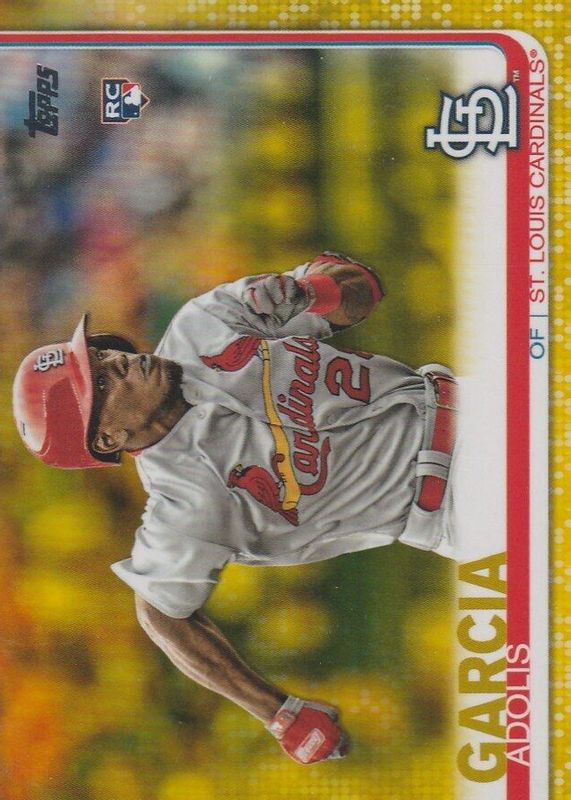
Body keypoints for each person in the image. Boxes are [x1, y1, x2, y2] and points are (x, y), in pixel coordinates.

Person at [13, 252, 458, 765]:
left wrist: (313, 291)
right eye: (101, 383)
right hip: (458, 503)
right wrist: (276, 711)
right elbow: (159, 614)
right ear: (108, 438)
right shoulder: (183, 505)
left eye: (100, 356)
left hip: (471, 402)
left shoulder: (204, 322)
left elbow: (363, 290)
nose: (118, 362)